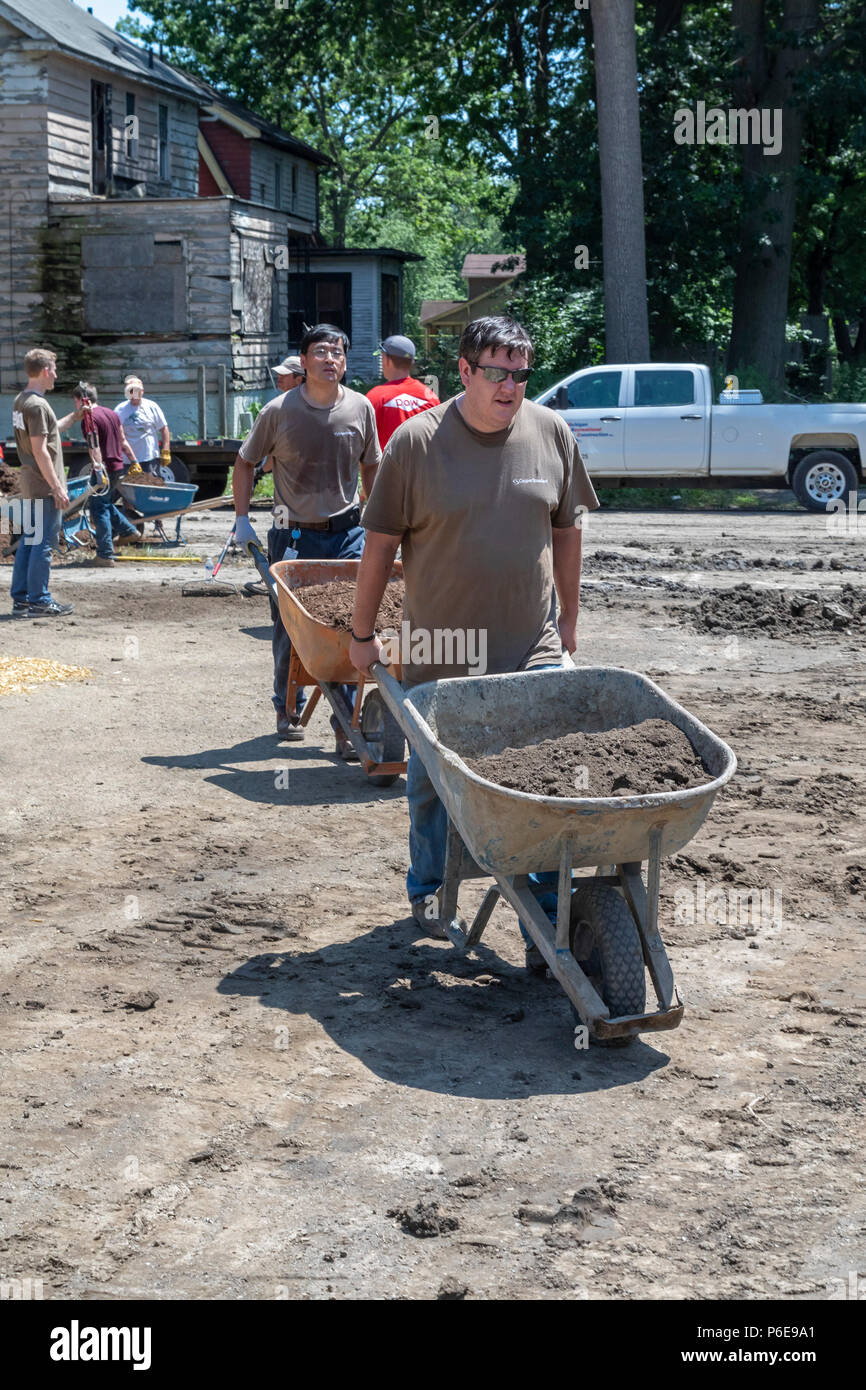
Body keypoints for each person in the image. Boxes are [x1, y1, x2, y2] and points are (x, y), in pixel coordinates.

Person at [349, 315, 598, 955]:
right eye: (497, 373)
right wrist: (363, 633)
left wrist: (569, 617)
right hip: (440, 648)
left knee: (542, 779)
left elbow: (568, 530)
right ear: (464, 371)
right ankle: (430, 891)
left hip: (530, 646)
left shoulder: (551, 432)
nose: (511, 386)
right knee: (433, 781)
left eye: (520, 373)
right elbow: (379, 548)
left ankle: (544, 915)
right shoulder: (415, 443)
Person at [232, 324, 381, 754]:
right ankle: (288, 705)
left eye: (337, 352)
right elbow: (244, 464)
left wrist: (375, 513)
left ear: (345, 362)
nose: (330, 359)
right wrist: (242, 519)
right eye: (320, 352)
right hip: (292, 537)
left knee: (352, 625)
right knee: (290, 627)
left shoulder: (360, 408)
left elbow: (371, 465)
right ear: (304, 361)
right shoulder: (279, 412)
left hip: (348, 534)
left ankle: (345, 724)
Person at [10, 347, 80, 618]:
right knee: (43, 543)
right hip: (42, 484)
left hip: (30, 481)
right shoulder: (38, 405)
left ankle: (22, 599)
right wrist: (57, 487)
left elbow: (45, 434)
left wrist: (74, 418)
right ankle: (39, 599)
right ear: (44, 371)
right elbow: (40, 450)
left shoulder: (22, 400)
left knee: (30, 540)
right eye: (54, 369)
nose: (56, 374)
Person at [72, 382, 140, 566]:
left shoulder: (89, 418)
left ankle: (105, 555)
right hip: (118, 466)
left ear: (80, 400)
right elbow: (123, 441)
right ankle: (128, 531)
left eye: (75, 401)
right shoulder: (111, 414)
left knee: (98, 509)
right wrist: (134, 461)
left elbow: (93, 445)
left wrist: (98, 468)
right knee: (104, 503)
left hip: (104, 468)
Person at [366, 334, 440, 449]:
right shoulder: (431, 397)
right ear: (412, 362)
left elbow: (363, 443)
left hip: (387, 466)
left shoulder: (375, 397)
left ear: (386, 360)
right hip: (423, 466)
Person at [114, 377, 171, 474]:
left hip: (149, 457)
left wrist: (166, 450)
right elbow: (115, 435)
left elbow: (163, 428)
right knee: (127, 487)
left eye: (136, 390)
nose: (133, 393)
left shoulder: (152, 407)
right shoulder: (119, 410)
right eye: (130, 391)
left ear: (142, 391)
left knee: (150, 486)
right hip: (127, 460)